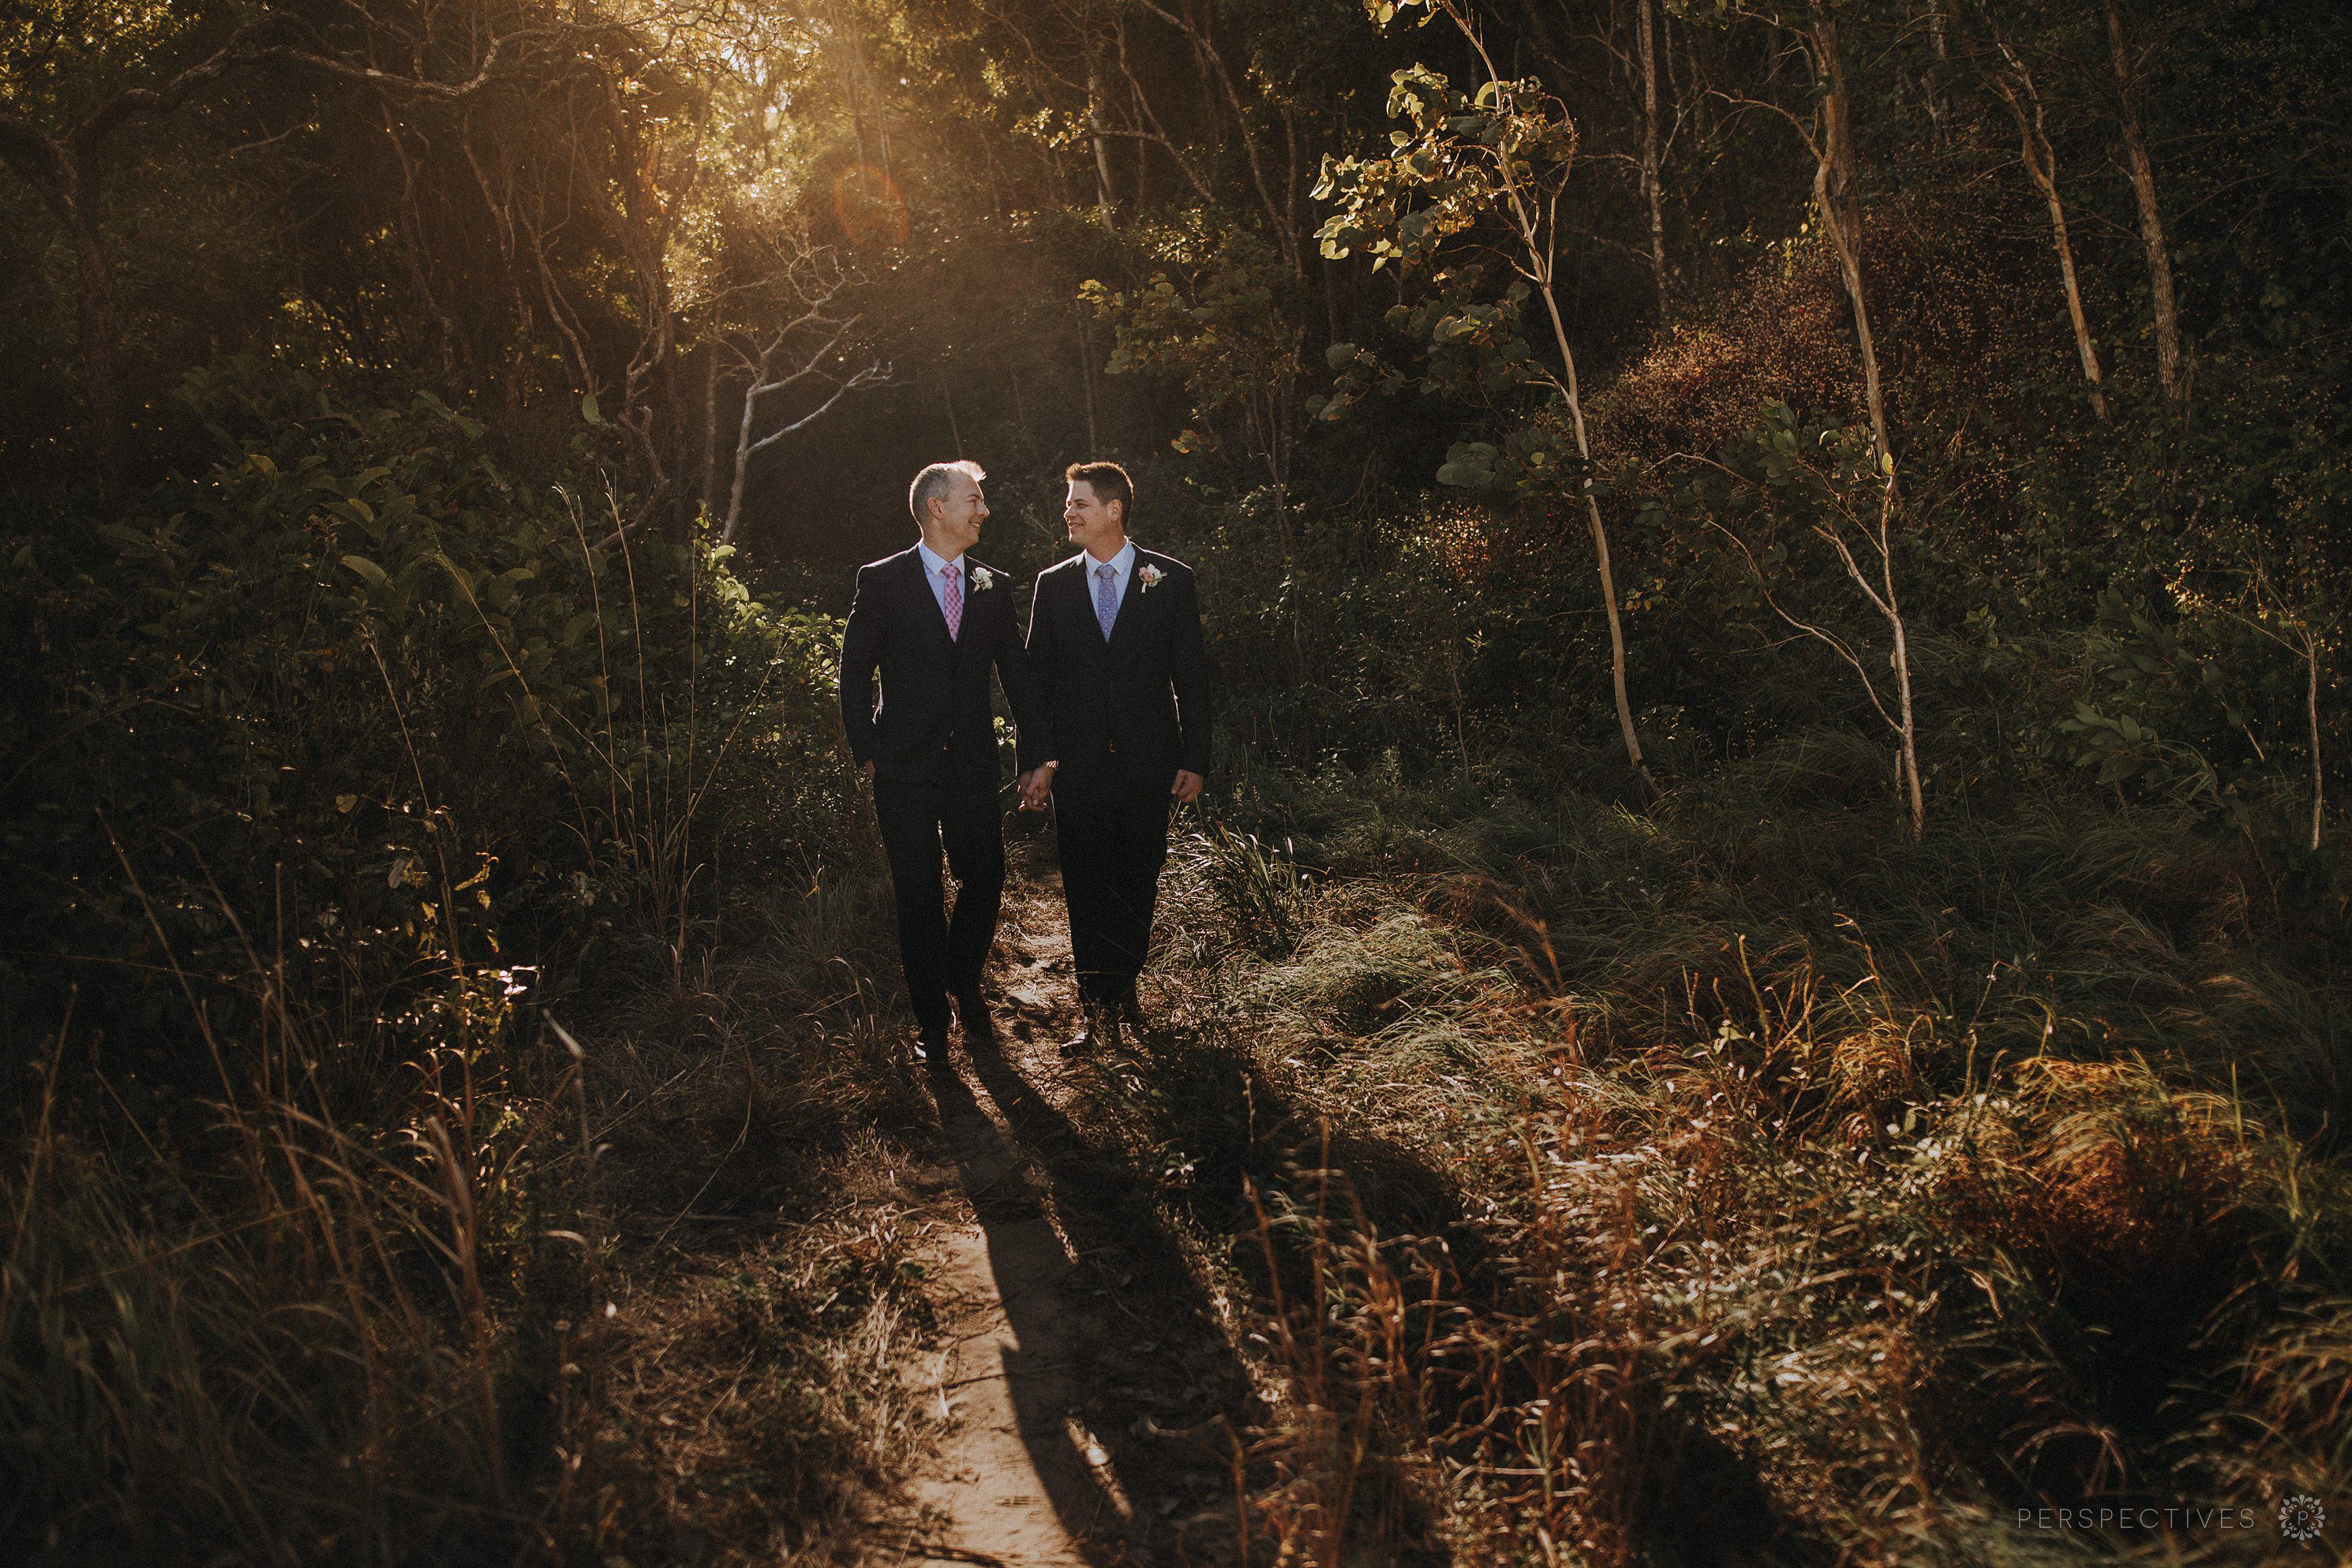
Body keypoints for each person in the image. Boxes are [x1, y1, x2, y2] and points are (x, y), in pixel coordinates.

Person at [841, 460, 1046, 1064]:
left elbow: (1020, 677)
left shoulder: (994, 583)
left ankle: (963, 976)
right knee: (917, 892)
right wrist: (866, 751)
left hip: (975, 766)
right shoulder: (882, 581)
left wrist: (1036, 753)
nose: (983, 510)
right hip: (900, 766)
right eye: (973, 499)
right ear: (937, 506)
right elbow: (854, 672)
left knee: (985, 876)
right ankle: (932, 1021)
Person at [1017, 460, 1210, 1055]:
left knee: (1138, 877)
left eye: (1078, 503)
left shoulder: (1170, 580)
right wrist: (1039, 760)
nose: (1068, 512)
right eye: (1068, 503)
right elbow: (1035, 684)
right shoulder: (1054, 584)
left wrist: (1196, 758)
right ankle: (1095, 1009)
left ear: (1113, 510)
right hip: (1078, 766)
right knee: (1083, 882)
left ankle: (1124, 988)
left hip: (1149, 763)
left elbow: (1193, 679)